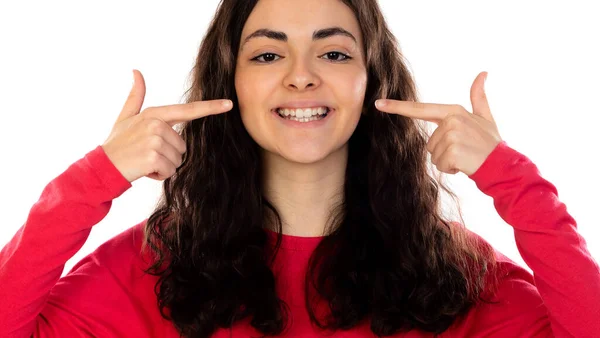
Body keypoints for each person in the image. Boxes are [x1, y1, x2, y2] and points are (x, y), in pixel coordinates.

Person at [1, 0, 599, 337]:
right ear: (229, 84)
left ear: (374, 84)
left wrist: (510, 176)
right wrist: (94, 177)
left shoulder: (455, 281)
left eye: (334, 51)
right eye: (267, 52)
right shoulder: (148, 271)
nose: (301, 73)